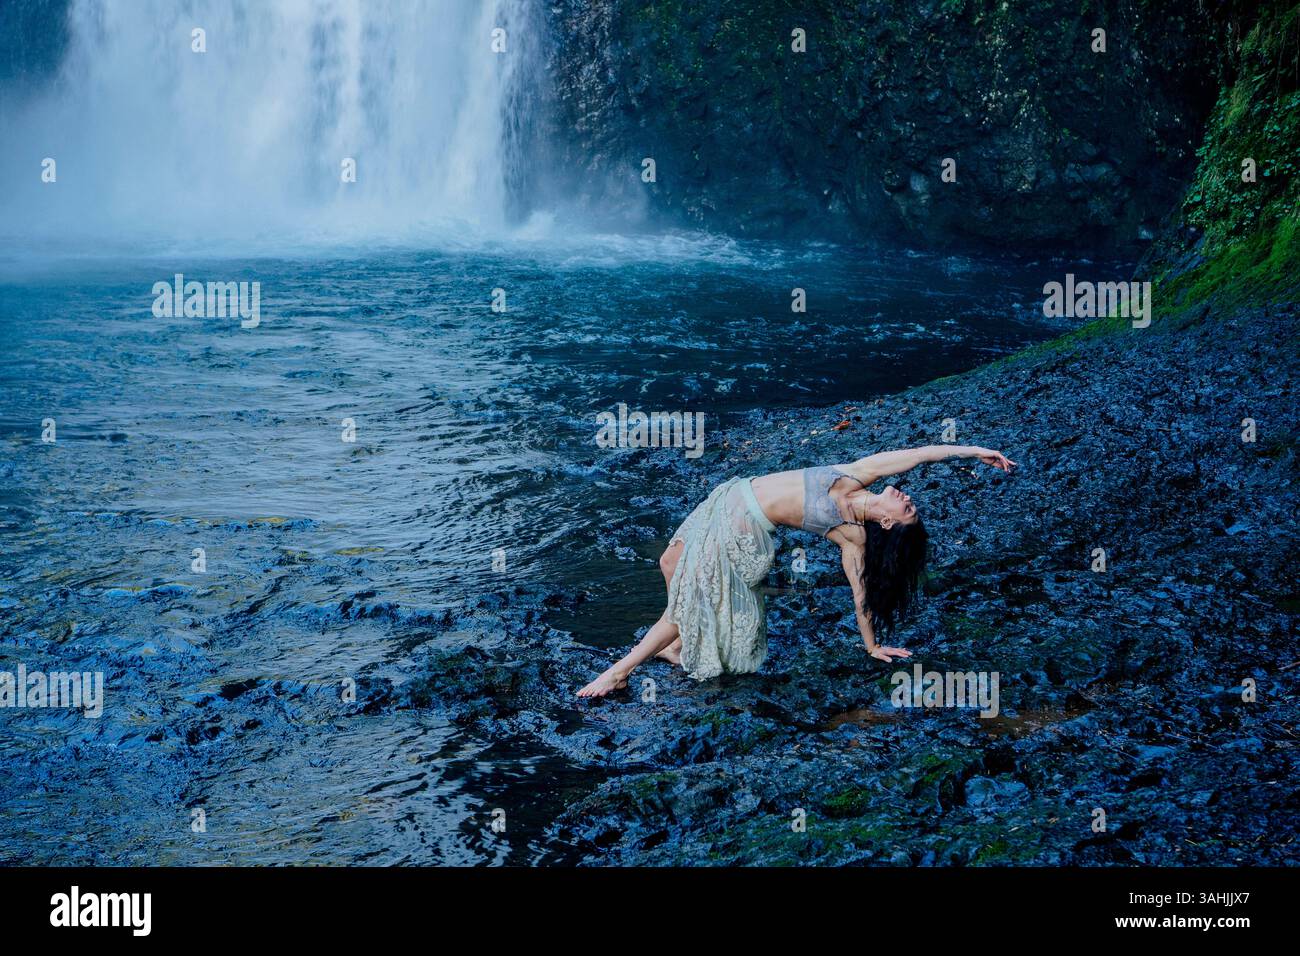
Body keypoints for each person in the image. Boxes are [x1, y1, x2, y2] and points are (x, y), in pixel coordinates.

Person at [577, 444, 1016, 697]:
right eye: (910, 503)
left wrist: (871, 646)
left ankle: (620, 672)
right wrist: (974, 451)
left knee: (690, 599)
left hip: (741, 525)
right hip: (727, 496)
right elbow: (919, 455)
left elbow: (859, 593)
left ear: (887, 523)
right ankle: (677, 646)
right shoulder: (855, 476)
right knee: (669, 562)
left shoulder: (852, 537)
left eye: (908, 509)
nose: (907, 498)